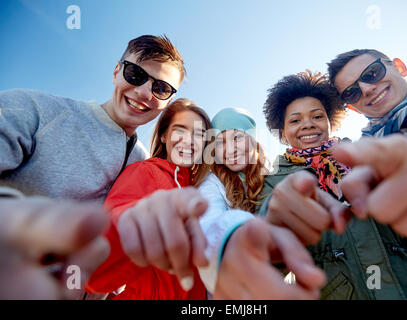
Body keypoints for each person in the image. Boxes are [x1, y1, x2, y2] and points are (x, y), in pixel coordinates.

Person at [215, 70, 407, 299]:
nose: (307, 125)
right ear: (283, 133)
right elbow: (267, 264)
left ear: (329, 121)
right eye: (295, 120)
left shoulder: (365, 156)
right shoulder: (275, 184)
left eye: (317, 116)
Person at [0, 34, 186, 299]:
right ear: (116, 71)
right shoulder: (35, 110)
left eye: (161, 88)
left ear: (167, 101)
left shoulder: (145, 166)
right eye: (135, 74)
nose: (144, 92)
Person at [327, 49, 407, 291]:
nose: (367, 89)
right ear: (352, 108)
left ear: (399, 66)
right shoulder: (359, 166)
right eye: (352, 92)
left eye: (372, 73)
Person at [86, 99, 213, 299]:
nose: (189, 140)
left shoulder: (203, 192)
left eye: (199, 134)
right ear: (164, 136)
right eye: (180, 130)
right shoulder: (146, 172)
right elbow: (96, 272)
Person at [198, 107, 327, 299]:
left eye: (237, 138)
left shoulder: (272, 175)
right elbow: (211, 222)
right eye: (220, 142)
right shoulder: (212, 182)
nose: (230, 149)